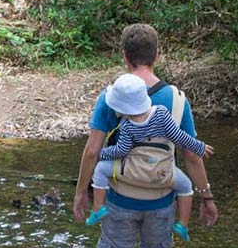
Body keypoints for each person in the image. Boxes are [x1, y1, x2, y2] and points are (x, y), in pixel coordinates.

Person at [73, 23, 219, 248]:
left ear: (124, 56)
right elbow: (192, 154)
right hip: (162, 198)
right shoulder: (177, 100)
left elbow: (94, 151)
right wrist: (205, 197)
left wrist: (82, 192)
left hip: (120, 198)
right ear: (157, 56)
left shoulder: (112, 97)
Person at [89, 73, 215, 232]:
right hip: (161, 174)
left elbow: (121, 150)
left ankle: (98, 208)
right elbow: (179, 137)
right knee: (186, 187)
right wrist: (199, 147)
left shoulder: (126, 126)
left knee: (100, 169)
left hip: (130, 174)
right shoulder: (162, 113)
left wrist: (103, 154)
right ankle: (182, 224)